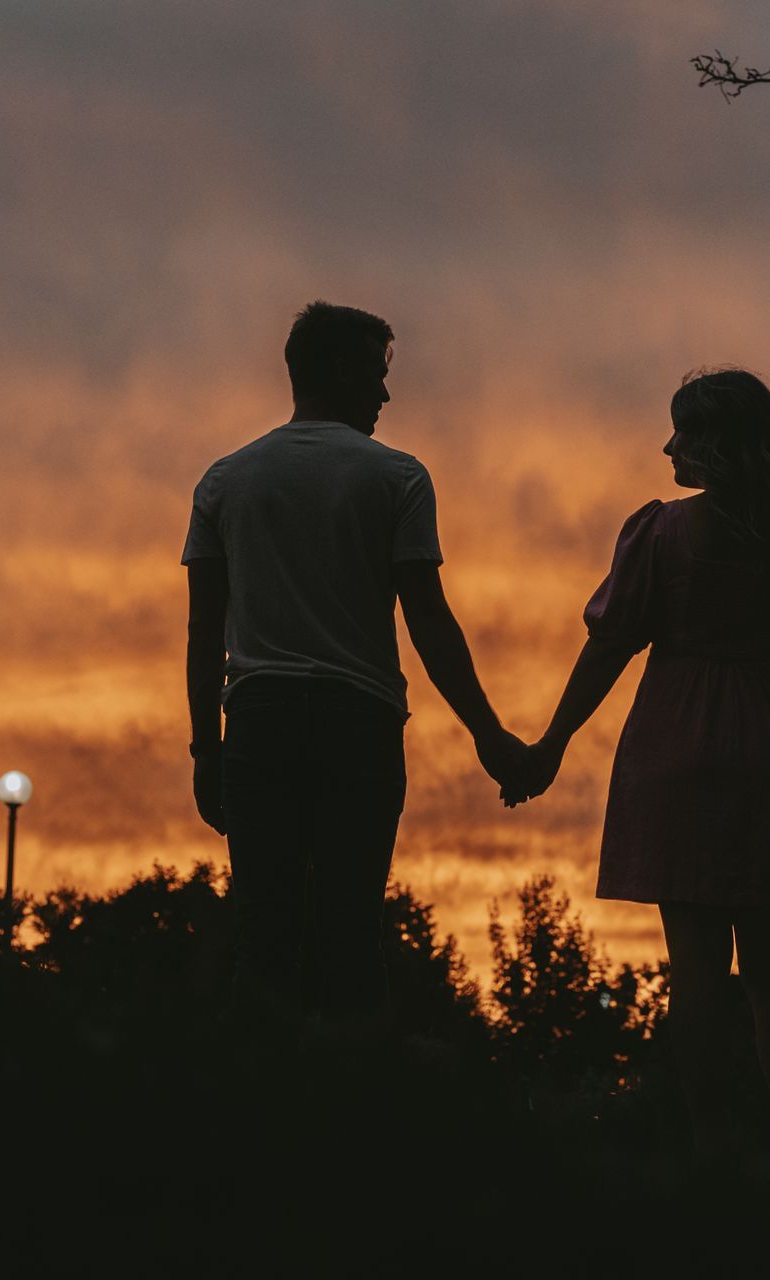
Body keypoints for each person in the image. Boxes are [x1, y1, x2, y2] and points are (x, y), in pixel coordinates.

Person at [511, 367, 770, 1163]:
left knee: (698, 972)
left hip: (673, 745)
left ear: (715, 444)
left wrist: (554, 742)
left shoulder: (661, 531)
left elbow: (610, 645)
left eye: (682, 430)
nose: (668, 444)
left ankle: (710, 1143)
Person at [183, 300, 531, 1045]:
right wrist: (488, 733)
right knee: (350, 935)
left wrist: (205, 747)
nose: (384, 394)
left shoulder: (225, 480)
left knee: (264, 937)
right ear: (341, 371)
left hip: (259, 721)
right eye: (376, 375)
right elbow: (428, 618)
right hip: (359, 724)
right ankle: (360, 1123)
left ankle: (252, 1114)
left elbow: (203, 629)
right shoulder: (397, 477)